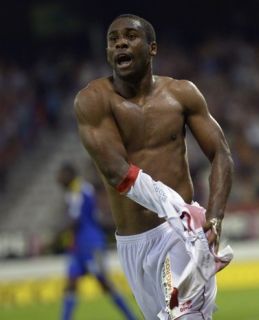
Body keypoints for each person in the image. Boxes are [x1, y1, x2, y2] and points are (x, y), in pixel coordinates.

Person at [73, 13, 234, 320]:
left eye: (130, 36)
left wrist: (212, 217)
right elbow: (116, 172)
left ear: (152, 48)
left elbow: (221, 154)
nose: (120, 42)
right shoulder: (93, 101)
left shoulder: (182, 94)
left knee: (182, 317)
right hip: (132, 243)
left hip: (178, 234)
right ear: (108, 53)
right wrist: (176, 204)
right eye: (113, 39)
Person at [56, 162, 137, 320]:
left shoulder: (78, 189)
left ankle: (131, 317)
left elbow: (76, 219)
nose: (58, 179)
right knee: (71, 284)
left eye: (60, 176)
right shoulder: (76, 190)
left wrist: (58, 234)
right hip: (79, 246)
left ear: (69, 175)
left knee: (104, 282)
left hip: (91, 244)